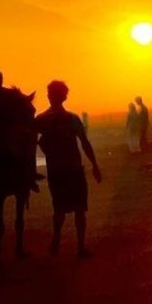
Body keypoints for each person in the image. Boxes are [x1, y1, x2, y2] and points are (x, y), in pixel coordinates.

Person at [35, 81, 102, 258]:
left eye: (50, 93)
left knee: (59, 209)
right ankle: (80, 247)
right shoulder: (72, 118)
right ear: (65, 97)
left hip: (57, 171)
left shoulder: (41, 119)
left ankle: (57, 239)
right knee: (79, 209)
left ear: (51, 96)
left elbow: (33, 143)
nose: (50, 96)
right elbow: (84, 143)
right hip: (73, 169)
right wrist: (94, 165)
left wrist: (44, 147)